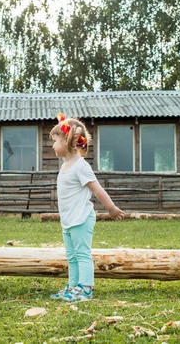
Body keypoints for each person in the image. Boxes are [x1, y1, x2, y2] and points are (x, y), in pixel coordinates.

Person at [49, 113, 124, 302]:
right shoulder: (65, 166)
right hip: (68, 221)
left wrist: (111, 208)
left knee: (82, 254)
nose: (52, 146)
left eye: (55, 141)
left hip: (81, 219)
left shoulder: (80, 166)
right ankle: (73, 287)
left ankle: (86, 288)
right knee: (72, 256)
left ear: (67, 141)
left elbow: (97, 189)